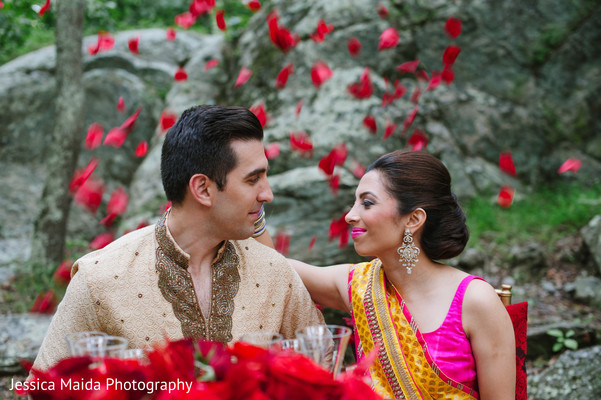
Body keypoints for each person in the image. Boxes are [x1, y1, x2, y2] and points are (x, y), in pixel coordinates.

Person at [32, 105, 324, 371]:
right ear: (203, 189)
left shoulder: (275, 273)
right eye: (252, 179)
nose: (267, 193)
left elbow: (324, 372)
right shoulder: (101, 280)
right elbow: (44, 387)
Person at [288, 150, 516, 400]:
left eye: (366, 203)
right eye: (354, 203)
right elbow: (276, 266)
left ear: (414, 219)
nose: (350, 216)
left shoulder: (475, 301)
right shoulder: (359, 285)